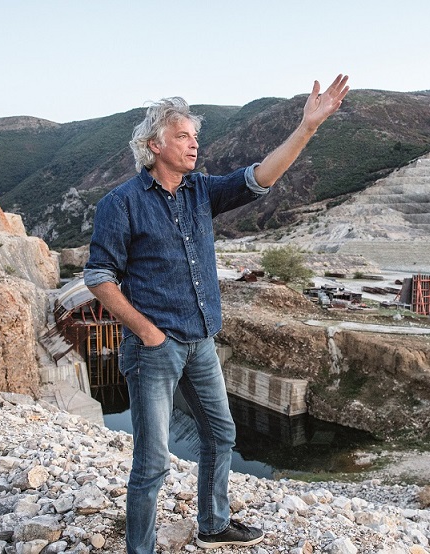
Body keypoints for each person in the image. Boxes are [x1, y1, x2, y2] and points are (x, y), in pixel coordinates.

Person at [83, 74, 349, 553]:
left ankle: (214, 524)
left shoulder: (200, 191)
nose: (193, 146)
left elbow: (261, 177)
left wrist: (308, 127)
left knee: (221, 433)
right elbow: (99, 277)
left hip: (201, 339)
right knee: (152, 462)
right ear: (153, 145)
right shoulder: (119, 203)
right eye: (183, 137)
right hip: (155, 349)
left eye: (195, 137)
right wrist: (147, 333)